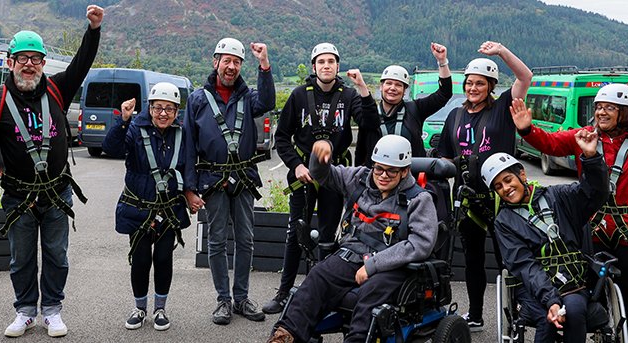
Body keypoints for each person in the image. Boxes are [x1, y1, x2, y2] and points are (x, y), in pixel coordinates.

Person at [513, 83, 628, 341]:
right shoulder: (583, 136)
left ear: (626, 112)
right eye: (598, 108)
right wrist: (527, 129)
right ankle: (599, 328)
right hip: (592, 227)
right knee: (589, 290)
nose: (601, 113)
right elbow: (550, 143)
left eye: (609, 108)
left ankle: (624, 337)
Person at [0, 5, 103, 339]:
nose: (29, 64)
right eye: (22, 58)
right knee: (21, 258)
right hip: (17, 195)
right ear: (10, 62)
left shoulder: (57, 89)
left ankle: (52, 310)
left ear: (42, 63)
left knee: (57, 255)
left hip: (56, 193)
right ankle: (25, 312)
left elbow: (82, 62)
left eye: (35, 58)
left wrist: (93, 29)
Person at [266, 135, 439, 343]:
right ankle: (287, 335)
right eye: (378, 168)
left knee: (368, 296)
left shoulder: (419, 199)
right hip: (351, 254)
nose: (383, 176)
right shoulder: (359, 178)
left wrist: (373, 265)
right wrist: (319, 154)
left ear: (404, 171)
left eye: (391, 171)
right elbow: (323, 175)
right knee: (317, 277)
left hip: (392, 265)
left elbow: (420, 244)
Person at [263, 42, 376, 315]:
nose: (326, 66)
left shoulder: (349, 96)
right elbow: (282, 138)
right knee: (295, 233)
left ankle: (325, 294)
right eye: (321, 62)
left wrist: (363, 88)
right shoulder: (300, 95)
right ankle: (283, 292)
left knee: (328, 236)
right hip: (302, 174)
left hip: (334, 176)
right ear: (314, 67)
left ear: (338, 66)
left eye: (331, 61)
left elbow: (370, 123)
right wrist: (295, 166)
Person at [433, 41, 532, 330]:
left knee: (509, 256)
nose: (473, 88)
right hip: (466, 198)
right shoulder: (455, 115)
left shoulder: (503, 108)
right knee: (473, 260)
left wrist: (502, 52)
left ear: (490, 86)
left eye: (480, 83)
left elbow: (525, 77)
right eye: (469, 83)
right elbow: (444, 154)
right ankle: (475, 315)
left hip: (501, 197)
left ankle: (519, 313)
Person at [182, 37, 274, 324]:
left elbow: (268, 101)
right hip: (212, 179)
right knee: (218, 241)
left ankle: (242, 298)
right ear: (215, 62)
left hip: (243, 178)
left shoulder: (248, 96)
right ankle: (223, 299)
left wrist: (264, 64)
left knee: (245, 240)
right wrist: (188, 188)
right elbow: (188, 145)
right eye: (227, 61)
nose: (231, 66)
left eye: (236, 62)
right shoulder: (198, 99)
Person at [482, 138, 607, 343]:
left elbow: (595, 193)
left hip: (571, 282)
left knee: (574, 310)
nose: (505, 188)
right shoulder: (504, 222)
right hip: (533, 288)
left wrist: (592, 159)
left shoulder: (559, 196)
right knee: (547, 319)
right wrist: (551, 300)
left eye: (507, 180)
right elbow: (525, 265)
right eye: (498, 186)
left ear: (521, 174)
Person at [104, 83, 191, 331]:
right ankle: (140, 308)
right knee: (141, 259)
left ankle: (160, 309)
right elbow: (112, 148)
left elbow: (189, 167)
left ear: (176, 111)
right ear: (150, 109)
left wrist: (192, 193)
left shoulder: (181, 135)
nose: (163, 114)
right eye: (158, 108)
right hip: (139, 208)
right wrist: (123, 120)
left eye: (169, 109)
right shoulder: (134, 130)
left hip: (169, 208)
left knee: (164, 258)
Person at [356, 43, 453, 158]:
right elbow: (361, 153)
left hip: (411, 173)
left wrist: (442, 62)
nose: (392, 88)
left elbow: (444, 94)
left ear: (404, 90)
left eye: (398, 85)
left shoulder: (415, 109)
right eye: (389, 83)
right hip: (379, 174)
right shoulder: (370, 115)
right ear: (381, 86)